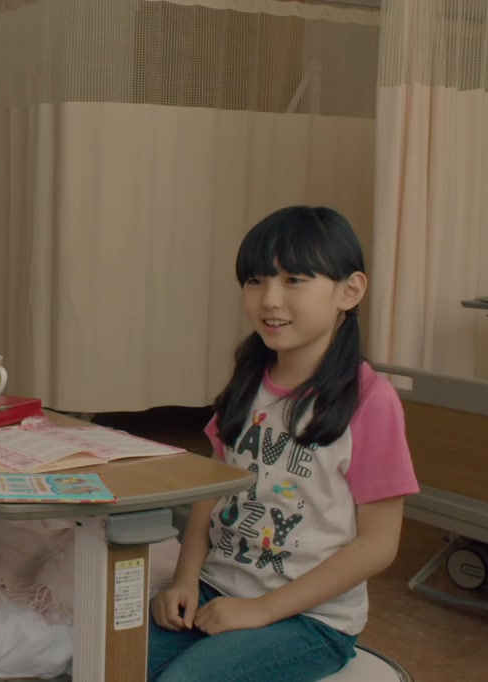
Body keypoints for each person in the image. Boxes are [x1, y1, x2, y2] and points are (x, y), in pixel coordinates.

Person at [147, 206, 419, 681]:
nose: (270, 299)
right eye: (256, 280)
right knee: (104, 659)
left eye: (294, 280)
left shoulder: (371, 401)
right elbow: (212, 490)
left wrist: (262, 609)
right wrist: (184, 579)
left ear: (349, 290)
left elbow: (378, 545)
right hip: (216, 589)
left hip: (309, 620)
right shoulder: (249, 380)